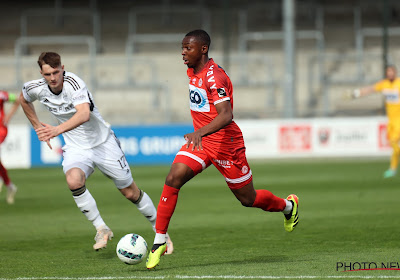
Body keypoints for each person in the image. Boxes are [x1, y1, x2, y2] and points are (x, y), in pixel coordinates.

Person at [146, 30, 299, 269]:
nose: (183, 52)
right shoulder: (192, 70)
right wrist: (200, 135)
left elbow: (226, 114)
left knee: (248, 199)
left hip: (227, 145)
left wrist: (199, 131)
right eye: (182, 48)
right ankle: (159, 241)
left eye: (188, 48)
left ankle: (288, 206)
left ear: (203, 49)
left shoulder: (214, 77)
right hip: (203, 144)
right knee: (173, 178)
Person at [18, 52, 173, 252]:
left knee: (130, 192)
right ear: (42, 73)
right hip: (76, 148)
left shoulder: (74, 84)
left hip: (103, 143)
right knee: (73, 180)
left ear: (62, 68)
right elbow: (24, 99)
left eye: (56, 72)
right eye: (48, 74)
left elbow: (83, 114)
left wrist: (56, 130)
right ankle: (101, 228)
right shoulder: (35, 87)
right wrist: (37, 126)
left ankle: (161, 233)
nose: (53, 78)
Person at [352, 65, 400, 178]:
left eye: (391, 72)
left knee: (394, 141)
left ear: (395, 73)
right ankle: (393, 169)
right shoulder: (384, 84)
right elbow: (371, 89)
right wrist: (358, 93)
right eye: (388, 72)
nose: (390, 74)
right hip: (391, 120)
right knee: (393, 146)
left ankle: (393, 169)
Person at [0, 90, 20, 204]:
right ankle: (10, 186)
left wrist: (8, 116)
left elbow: (17, 100)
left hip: (1, 130)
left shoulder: (2, 95)